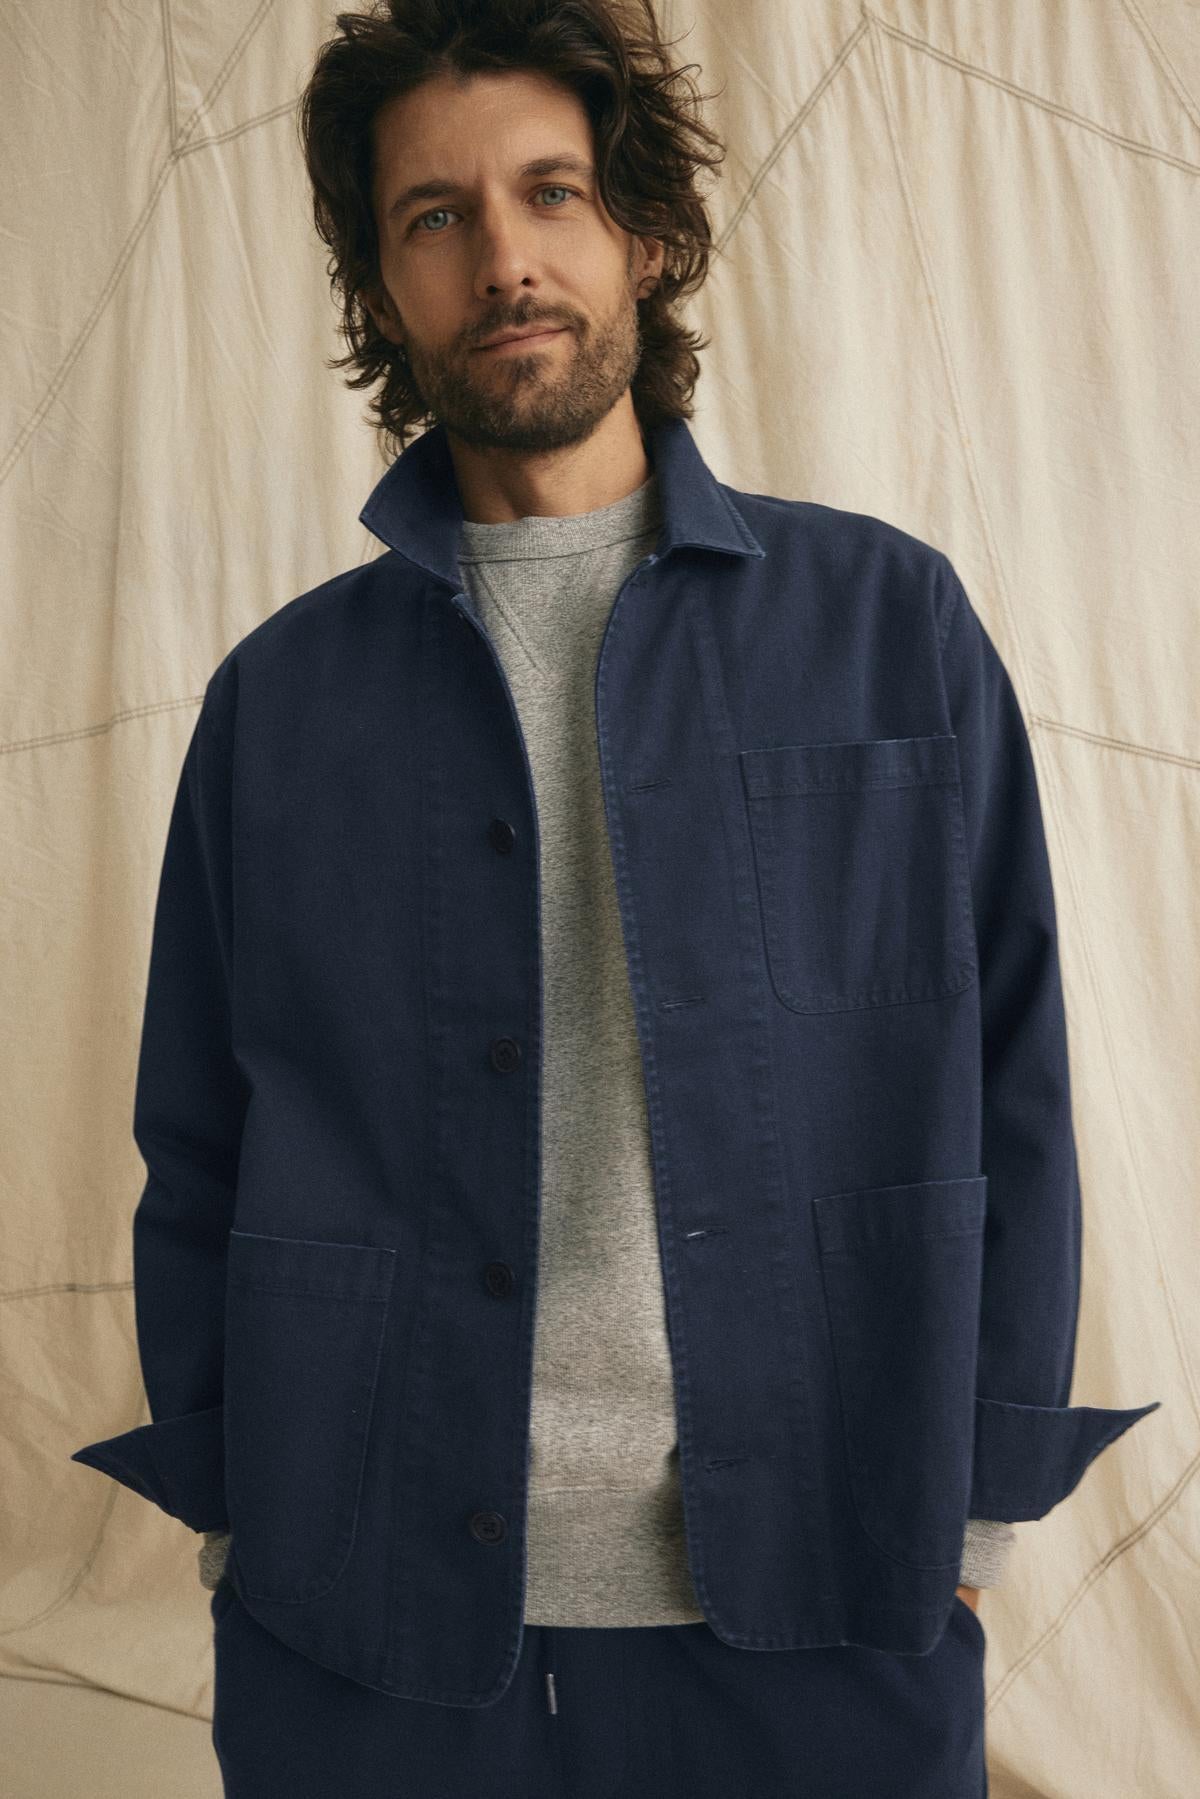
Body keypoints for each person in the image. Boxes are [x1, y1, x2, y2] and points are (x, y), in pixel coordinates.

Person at [70, 3, 1160, 1795]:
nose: (503, 258)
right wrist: (233, 1518)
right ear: (381, 281)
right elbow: (196, 1137)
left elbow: (1012, 1081)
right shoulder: (281, 702)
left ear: (639, 233)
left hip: (829, 1571)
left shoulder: (890, 626)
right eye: (435, 216)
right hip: (364, 1595)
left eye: (549, 192)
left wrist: (972, 1511)